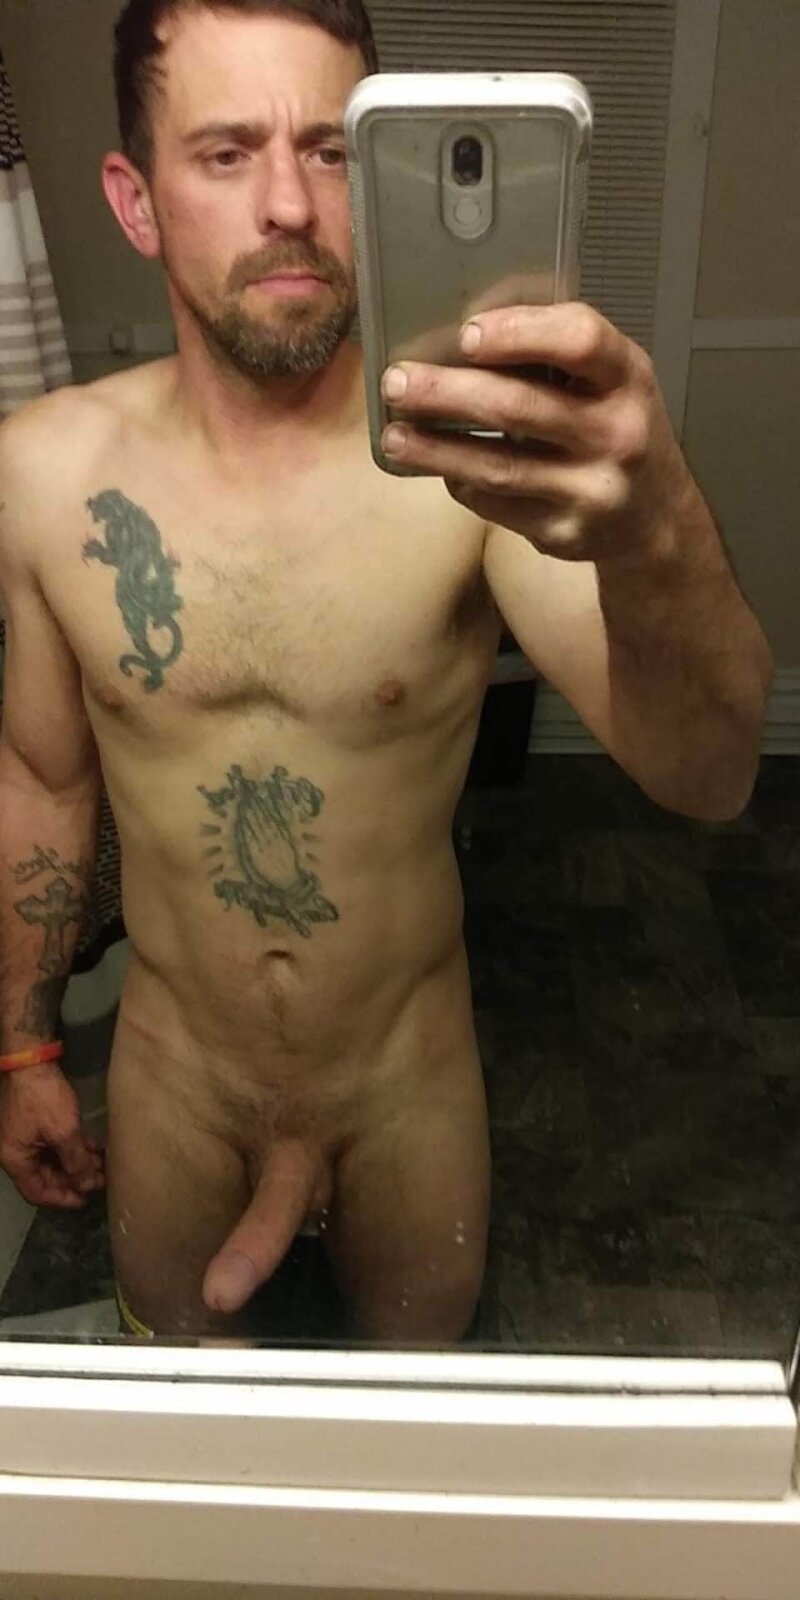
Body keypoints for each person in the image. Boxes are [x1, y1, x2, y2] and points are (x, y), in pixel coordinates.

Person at [0, 0, 773, 1342]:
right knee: (184, 1422)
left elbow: (710, 775)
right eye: (227, 153)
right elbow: (45, 780)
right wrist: (24, 1046)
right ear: (136, 201)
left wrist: (657, 526)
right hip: (180, 1081)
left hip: (401, 1078)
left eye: (331, 150)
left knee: (412, 1421)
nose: (290, 204)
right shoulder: (44, 472)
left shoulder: (474, 467)